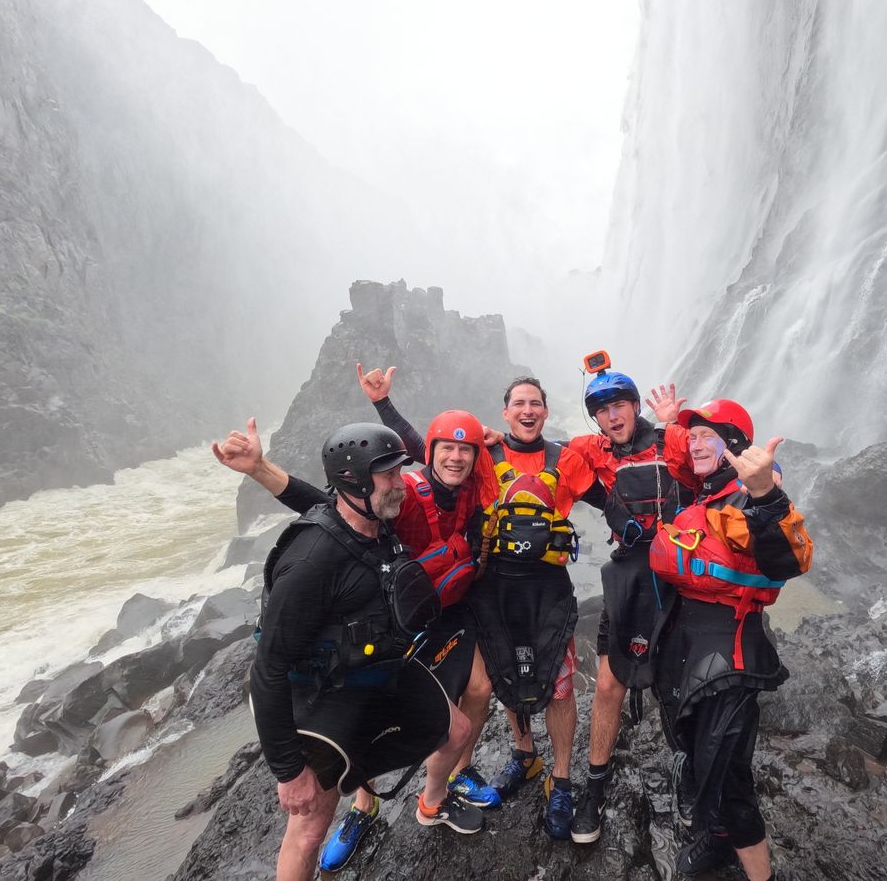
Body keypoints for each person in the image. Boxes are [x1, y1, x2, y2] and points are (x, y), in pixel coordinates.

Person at [214, 411, 500, 873]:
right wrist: (288, 772)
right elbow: (266, 672)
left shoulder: (374, 522)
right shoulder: (310, 562)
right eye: (388, 474)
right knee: (308, 830)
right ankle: (360, 809)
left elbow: (314, 497)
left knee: (458, 731)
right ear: (356, 483)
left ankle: (432, 803)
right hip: (325, 693)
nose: (401, 483)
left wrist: (260, 469)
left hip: (379, 669)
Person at [358, 368, 597, 840]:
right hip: (493, 590)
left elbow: (610, 498)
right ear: (505, 412)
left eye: (536, 403)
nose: (528, 411)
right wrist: (384, 404)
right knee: (504, 678)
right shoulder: (484, 454)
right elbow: (433, 450)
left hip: (548, 590)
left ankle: (563, 780)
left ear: (546, 411)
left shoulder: (565, 458)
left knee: (561, 687)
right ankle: (525, 756)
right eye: (519, 404)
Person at [648, 400, 813, 880]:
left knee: (730, 778)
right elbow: (680, 452)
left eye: (708, 436)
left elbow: (788, 560)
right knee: (697, 756)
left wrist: (765, 494)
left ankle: (761, 873)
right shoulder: (702, 494)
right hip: (688, 646)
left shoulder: (745, 500)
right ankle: (716, 841)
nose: (695, 443)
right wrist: (669, 421)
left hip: (731, 657)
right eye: (692, 436)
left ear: (735, 448)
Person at [561, 371, 699, 843]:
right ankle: (595, 786)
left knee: (676, 683)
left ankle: (687, 772)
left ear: (635, 405)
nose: (611, 414)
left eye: (619, 404)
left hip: (677, 571)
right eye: (601, 408)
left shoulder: (667, 441)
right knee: (607, 684)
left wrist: (673, 421)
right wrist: (502, 438)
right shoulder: (594, 449)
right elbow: (546, 450)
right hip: (628, 573)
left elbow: (701, 464)